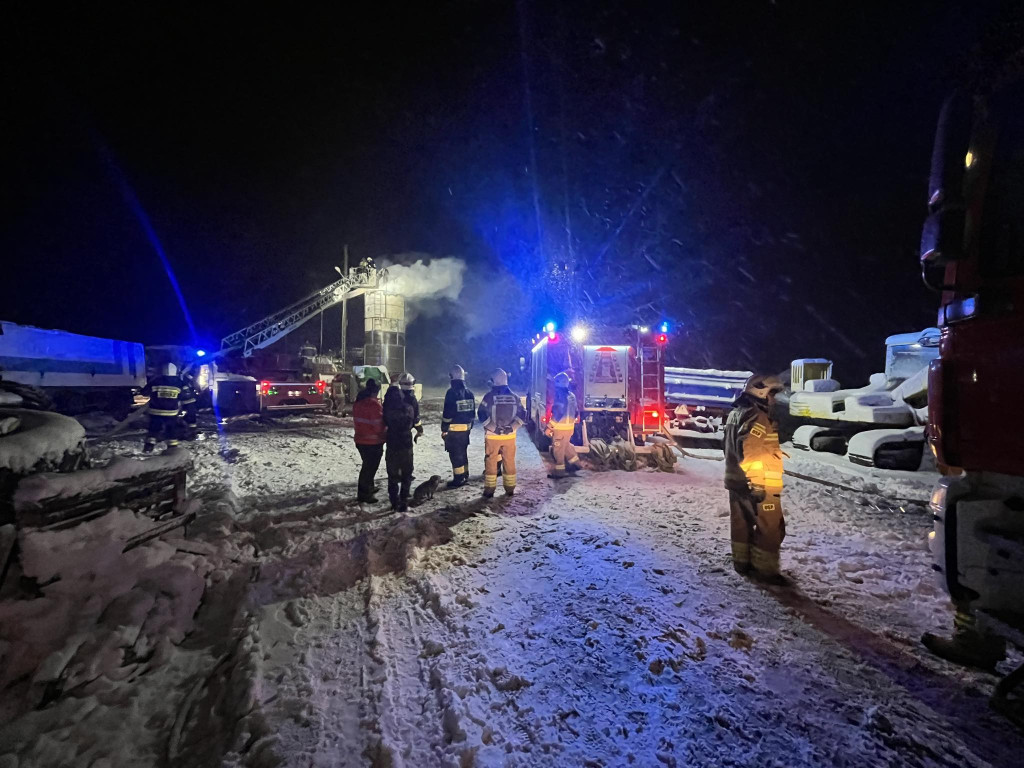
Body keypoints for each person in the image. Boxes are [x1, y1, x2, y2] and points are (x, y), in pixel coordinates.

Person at [723, 374, 787, 582]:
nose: (774, 400)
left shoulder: (736, 413)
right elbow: (751, 451)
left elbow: (731, 447)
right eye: (772, 394)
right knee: (769, 528)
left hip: (736, 481)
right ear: (761, 393)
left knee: (741, 524)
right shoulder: (757, 416)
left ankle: (742, 563)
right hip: (759, 484)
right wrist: (758, 483)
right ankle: (765, 570)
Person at [478, 368, 527, 498]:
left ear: (495, 380)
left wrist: (494, 428)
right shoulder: (515, 397)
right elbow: (522, 415)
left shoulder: (489, 397)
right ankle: (510, 488)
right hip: (510, 437)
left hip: (492, 436)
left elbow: (481, 414)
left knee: (491, 461)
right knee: (509, 461)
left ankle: (489, 490)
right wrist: (512, 428)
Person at [352, 378, 386, 503]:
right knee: (369, 469)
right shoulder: (373, 405)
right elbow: (378, 426)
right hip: (373, 442)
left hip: (360, 440)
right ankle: (364, 494)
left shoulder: (358, 402)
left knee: (367, 466)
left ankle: (369, 488)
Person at [441, 365, 475, 488]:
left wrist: (444, 428)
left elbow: (447, 414)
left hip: (454, 431)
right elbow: (472, 414)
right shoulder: (469, 393)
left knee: (456, 455)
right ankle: (465, 474)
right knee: (463, 453)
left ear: (451, 377)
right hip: (466, 430)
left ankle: (458, 479)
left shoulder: (451, 393)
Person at [383, 384, 415, 511]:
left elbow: (384, 423)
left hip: (392, 445)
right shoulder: (408, 408)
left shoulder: (386, 410)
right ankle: (404, 500)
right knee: (407, 474)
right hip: (406, 445)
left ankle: (394, 501)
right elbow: (412, 423)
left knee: (392, 476)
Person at [143, 362, 185, 453]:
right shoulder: (179, 382)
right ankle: (172, 449)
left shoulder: (156, 381)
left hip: (155, 411)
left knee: (153, 430)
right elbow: (183, 396)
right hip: (171, 413)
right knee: (171, 430)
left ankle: (148, 448)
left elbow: (144, 392)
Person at [548, 371, 582, 478]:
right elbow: (576, 412)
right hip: (569, 428)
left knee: (558, 449)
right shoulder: (572, 395)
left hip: (560, 429)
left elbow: (558, 413)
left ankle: (559, 472)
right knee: (566, 445)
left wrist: (549, 427)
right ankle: (576, 464)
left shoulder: (559, 396)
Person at [398, 372, 424, 443]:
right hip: (406, 434)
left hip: (392, 435)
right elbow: (416, 418)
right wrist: (420, 430)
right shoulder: (412, 400)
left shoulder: (393, 397)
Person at [180, 365, 198, 440]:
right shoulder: (186, 377)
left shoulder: (184, 376)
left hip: (187, 398)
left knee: (190, 414)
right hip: (187, 398)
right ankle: (190, 431)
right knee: (191, 414)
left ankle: (189, 430)